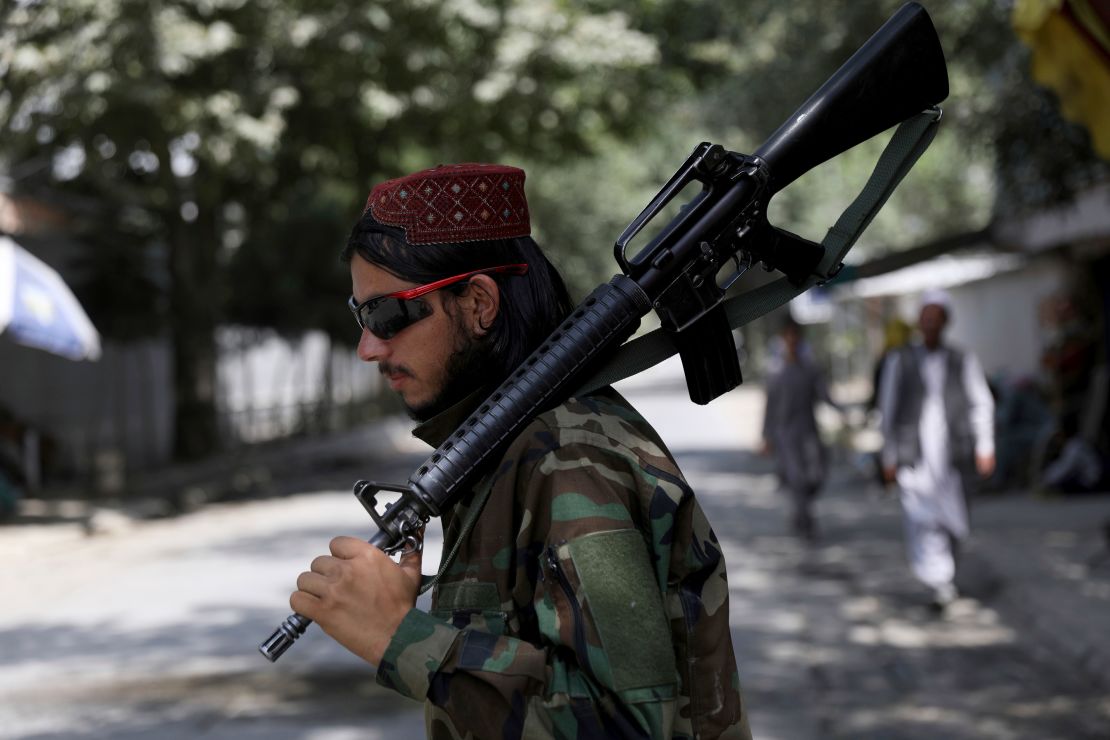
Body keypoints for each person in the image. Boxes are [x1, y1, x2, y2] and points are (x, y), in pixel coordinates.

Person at [290, 163, 752, 739]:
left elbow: (626, 726)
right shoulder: (504, 452)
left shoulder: (568, 459)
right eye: (361, 315)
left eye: (388, 314)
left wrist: (398, 637)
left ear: (479, 303)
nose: (367, 346)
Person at [877, 289, 995, 611]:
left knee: (954, 520)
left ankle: (945, 576)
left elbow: (980, 404)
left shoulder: (962, 359)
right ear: (919, 322)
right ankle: (939, 581)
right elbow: (887, 410)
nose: (930, 325)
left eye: (936, 319)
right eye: (925, 318)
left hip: (953, 457)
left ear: (945, 322)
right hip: (912, 457)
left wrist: (985, 446)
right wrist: (888, 456)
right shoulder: (899, 359)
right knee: (922, 519)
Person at [760, 316, 841, 541]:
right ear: (783, 340)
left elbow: (825, 396)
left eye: (796, 337)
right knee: (797, 478)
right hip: (785, 435)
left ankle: (801, 510)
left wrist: (844, 412)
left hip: (809, 431)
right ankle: (806, 520)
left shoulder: (811, 368)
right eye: (788, 337)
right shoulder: (775, 372)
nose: (792, 341)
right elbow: (769, 406)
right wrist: (766, 437)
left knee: (816, 474)